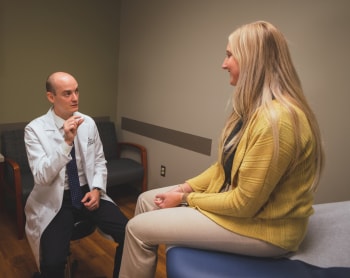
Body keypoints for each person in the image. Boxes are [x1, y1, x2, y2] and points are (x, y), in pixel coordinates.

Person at [118, 21, 324, 278]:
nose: (223, 64)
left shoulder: (278, 121)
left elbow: (244, 204)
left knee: (137, 229)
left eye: (229, 55)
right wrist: (185, 187)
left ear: (251, 61)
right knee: (145, 199)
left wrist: (184, 199)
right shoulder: (250, 111)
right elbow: (222, 166)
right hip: (247, 211)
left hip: (265, 230)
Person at [24, 71, 128, 278]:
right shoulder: (34, 130)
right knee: (53, 264)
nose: (75, 98)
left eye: (77, 91)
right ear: (51, 97)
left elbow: (99, 160)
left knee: (129, 234)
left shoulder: (87, 122)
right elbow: (42, 176)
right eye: (67, 93)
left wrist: (97, 189)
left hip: (87, 191)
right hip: (56, 199)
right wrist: (66, 143)